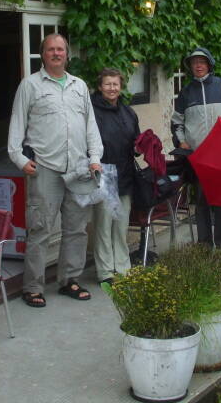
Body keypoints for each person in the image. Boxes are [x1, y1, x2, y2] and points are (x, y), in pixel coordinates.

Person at [8, 34, 103, 308]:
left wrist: (94, 157)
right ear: (43, 54)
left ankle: (69, 280)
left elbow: (90, 126)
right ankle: (33, 287)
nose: (56, 53)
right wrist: (18, 158)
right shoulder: (30, 85)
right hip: (45, 169)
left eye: (60, 49)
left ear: (67, 54)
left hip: (78, 168)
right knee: (40, 229)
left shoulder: (79, 86)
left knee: (76, 229)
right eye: (51, 49)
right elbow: (17, 123)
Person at [171, 47, 221, 256]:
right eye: (194, 63)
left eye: (202, 61)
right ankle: (203, 245)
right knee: (201, 200)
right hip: (198, 157)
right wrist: (182, 142)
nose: (198, 65)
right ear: (190, 67)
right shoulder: (186, 92)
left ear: (209, 63)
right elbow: (176, 122)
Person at [90, 68, 140, 285]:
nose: (112, 88)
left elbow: (136, 141)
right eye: (107, 84)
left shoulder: (128, 112)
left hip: (125, 175)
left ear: (120, 87)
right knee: (103, 226)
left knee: (120, 225)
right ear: (100, 86)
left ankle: (123, 267)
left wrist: (142, 145)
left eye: (115, 84)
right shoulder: (91, 111)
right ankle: (105, 272)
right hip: (103, 175)